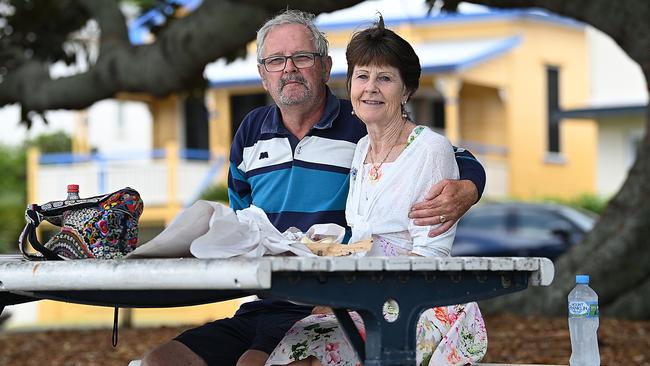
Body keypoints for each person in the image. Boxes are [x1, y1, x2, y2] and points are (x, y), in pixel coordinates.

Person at [142, 10, 485, 366]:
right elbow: (243, 228)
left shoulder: (361, 126)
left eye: (302, 57)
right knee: (161, 361)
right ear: (262, 74)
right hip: (270, 300)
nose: (288, 68)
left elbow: (445, 156)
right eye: (275, 60)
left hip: (340, 300)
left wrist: (471, 186)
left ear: (325, 66)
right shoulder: (255, 133)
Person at [264, 16, 487, 366]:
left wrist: (356, 295)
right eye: (362, 76)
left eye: (385, 78)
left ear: (407, 91)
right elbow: (361, 239)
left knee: (318, 356)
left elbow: (430, 256)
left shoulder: (429, 148)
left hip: (417, 303)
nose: (371, 88)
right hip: (365, 296)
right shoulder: (361, 148)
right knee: (293, 352)